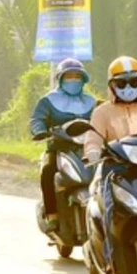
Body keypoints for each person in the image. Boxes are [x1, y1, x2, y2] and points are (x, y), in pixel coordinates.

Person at [85, 57, 137, 248]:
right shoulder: (102, 112)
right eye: (121, 83)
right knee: (110, 210)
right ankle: (109, 256)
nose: (128, 87)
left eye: (134, 82)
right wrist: (92, 151)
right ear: (111, 86)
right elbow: (93, 139)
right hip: (115, 172)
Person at [29, 58, 97, 235]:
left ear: (83, 80)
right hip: (58, 147)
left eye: (77, 76)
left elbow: (101, 120)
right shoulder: (48, 101)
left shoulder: (91, 102)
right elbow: (38, 119)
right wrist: (40, 131)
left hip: (87, 148)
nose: (73, 80)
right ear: (60, 79)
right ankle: (52, 215)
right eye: (69, 76)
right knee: (48, 171)